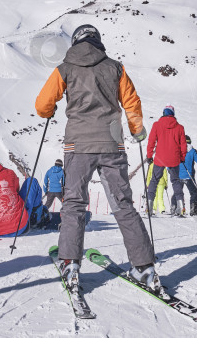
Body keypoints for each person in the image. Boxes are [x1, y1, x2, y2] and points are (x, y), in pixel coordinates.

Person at [35, 24, 158, 290]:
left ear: (75, 41)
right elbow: (131, 102)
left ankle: (70, 263)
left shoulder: (65, 68)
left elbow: (42, 105)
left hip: (77, 146)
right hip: (112, 145)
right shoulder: (115, 67)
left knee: (75, 204)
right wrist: (136, 130)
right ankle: (144, 268)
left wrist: (49, 111)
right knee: (123, 204)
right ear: (98, 42)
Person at [146, 105, 187, 216]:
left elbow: (151, 141)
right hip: (174, 159)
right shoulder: (180, 128)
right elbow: (183, 145)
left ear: (163, 113)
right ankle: (180, 206)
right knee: (175, 181)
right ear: (173, 114)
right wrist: (182, 158)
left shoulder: (156, 125)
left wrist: (149, 156)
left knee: (154, 180)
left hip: (160, 158)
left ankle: (149, 206)